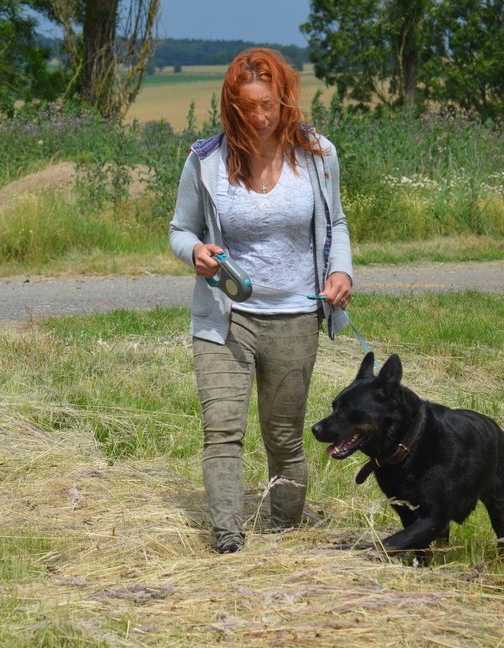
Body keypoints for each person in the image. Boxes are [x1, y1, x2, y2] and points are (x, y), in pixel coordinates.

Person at [169, 48, 354, 554]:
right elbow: (179, 230)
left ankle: (285, 532)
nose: (259, 116)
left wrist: (341, 270)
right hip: (226, 318)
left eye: (268, 104)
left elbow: (335, 223)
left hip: (296, 317)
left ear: (285, 99)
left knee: (284, 438)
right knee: (222, 431)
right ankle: (228, 539)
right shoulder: (205, 161)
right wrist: (196, 253)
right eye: (248, 106)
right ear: (232, 105)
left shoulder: (318, 156)